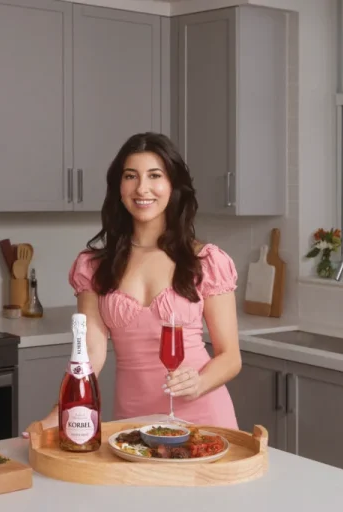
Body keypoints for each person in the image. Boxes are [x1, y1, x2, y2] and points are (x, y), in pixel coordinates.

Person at [33, 131, 242, 432]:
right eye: (131, 176)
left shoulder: (205, 261)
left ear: (173, 185)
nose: (142, 188)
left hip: (203, 420)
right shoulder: (94, 266)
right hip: (132, 425)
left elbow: (230, 357)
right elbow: (90, 354)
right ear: (119, 187)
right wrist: (60, 411)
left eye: (155, 175)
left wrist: (200, 382)